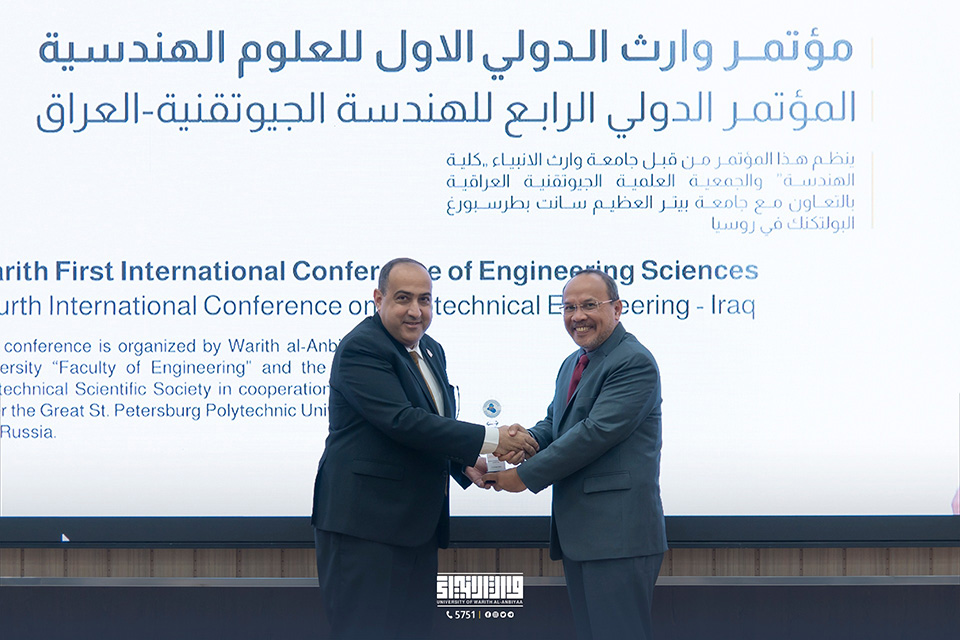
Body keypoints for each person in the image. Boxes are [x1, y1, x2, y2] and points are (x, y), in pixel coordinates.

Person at [310, 257, 537, 640]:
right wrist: (494, 437)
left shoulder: (431, 350)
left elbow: (430, 429)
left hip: (415, 530)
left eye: (425, 299)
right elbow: (403, 421)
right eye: (403, 298)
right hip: (366, 532)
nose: (416, 311)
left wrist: (466, 463)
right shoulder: (362, 348)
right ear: (378, 298)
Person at [483, 269, 668, 640]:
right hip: (585, 538)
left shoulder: (633, 362)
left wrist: (522, 477)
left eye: (589, 305)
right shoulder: (574, 362)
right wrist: (519, 441)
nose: (577, 316)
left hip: (618, 539)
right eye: (569, 307)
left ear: (617, 308)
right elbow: (556, 424)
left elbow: (594, 434)